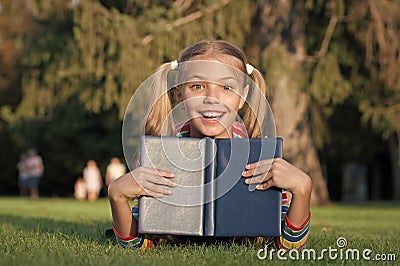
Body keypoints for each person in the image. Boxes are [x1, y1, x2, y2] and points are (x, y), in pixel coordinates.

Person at [108, 40, 312, 250]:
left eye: (226, 87)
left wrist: (303, 189)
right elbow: (140, 246)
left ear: (243, 96)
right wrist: (117, 196)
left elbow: (287, 248)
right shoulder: (160, 152)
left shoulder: (262, 154)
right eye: (197, 86)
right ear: (179, 93)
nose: (212, 99)